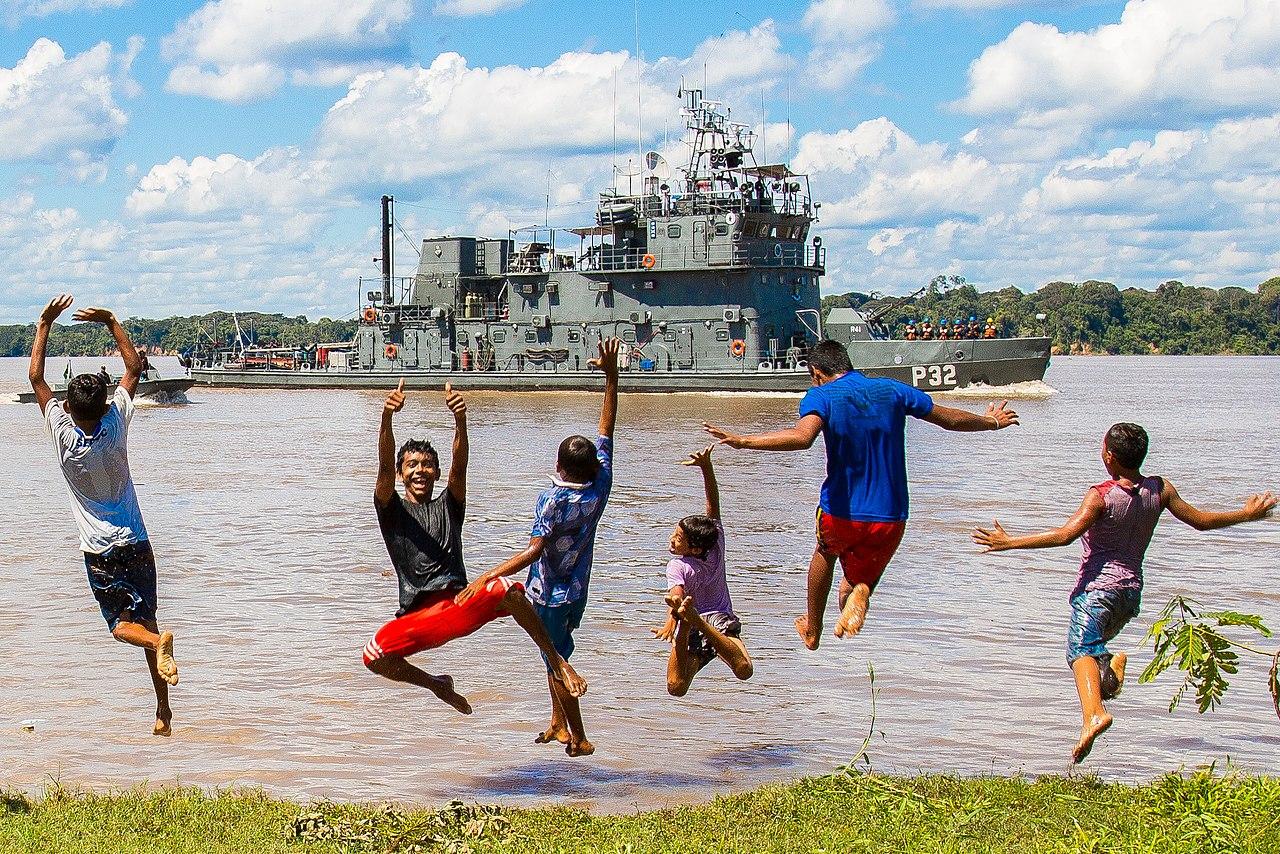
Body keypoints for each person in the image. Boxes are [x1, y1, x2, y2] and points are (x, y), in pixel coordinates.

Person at [972, 423, 1275, 764]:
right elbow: (1201, 521)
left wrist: (1009, 542)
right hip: (1130, 595)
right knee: (1094, 658)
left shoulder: (1101, 495)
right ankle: (1111, 669)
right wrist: (1247, 514)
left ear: (1109, 456)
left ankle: (1094, 716)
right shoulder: (1160, 490)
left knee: (1079, 651)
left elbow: (1065, 535)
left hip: (1098, 592)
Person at [704, 340, 1018, 650]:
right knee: (851, 592)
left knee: (825, 553)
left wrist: (743, 441)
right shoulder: (893, 390)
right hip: (891, 516)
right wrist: (991, 422)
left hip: (841, 514)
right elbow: (949, 418)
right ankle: (862, 589)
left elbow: (802, 438)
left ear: (816, 372)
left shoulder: (821, 396)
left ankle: (813, 629)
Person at [363, 378, 587, 717]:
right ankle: (437, 685)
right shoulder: (390, 509)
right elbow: (381, 468)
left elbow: (460, 465)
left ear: (436, 472)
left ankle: (557, 663)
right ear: (400, 474)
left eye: (427, 465)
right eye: (412, 465)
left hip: (460, 602)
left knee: (509, 588)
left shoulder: (450, 505)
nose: (420, 471)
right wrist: (386, 419)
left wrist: (461, 420)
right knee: (373, 656)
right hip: (419, 616)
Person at [459, 338, 620, 757]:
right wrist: (611, 376)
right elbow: (607, 429)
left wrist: (486, 576)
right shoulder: (600, 486)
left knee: (555, 661)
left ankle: (579, 736)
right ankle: (557, 723)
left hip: (547, 592)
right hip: (579, 591)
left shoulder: (553, 500)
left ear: (559, 467)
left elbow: (533, 552)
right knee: (555, 652)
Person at [29, 294, 179, 736]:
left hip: (99, 549)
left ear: (69, 409)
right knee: (148, 617)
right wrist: (112, 321)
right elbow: (133, 369)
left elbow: (36, 377)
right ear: (103, 405)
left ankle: (155, 644)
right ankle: (163, 711)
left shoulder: (61, 434)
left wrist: (44, 324)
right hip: (136, 539)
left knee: (121, 628)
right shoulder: (116, 425)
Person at [653, 445, 753, 696]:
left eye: (678, 538)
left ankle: (692, 624)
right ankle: (691, 628)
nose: (672, 540)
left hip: (713, 619)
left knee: (744, 669)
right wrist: (707, 468)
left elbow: (677, 597)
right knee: (677, 687)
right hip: (708, 620)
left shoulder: (679, 565)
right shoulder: (716, 540)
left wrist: (673, 621)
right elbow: (713, 505)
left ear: (696, 549)